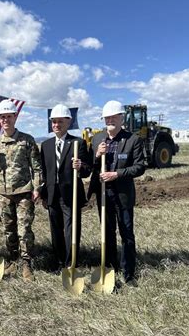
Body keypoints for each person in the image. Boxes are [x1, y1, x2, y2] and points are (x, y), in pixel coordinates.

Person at [88, 100, 145, 286]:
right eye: (107, 117)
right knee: (107, 232)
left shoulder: (132, 140)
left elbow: (140, 167)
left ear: (122, 118)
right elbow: (90, 167)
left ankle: (129, 274)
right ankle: (110, 268)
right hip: (103, 194)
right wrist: (97, 155)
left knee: (126, 233)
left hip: (122, 194)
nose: (110, 120)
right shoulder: (97, 139)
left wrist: (116, 174)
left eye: (114, 117)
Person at [0, 99, 41, 282]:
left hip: (24, 191)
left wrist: (37, 188)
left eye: (9, 116)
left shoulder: (27, 140)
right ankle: (13, 260)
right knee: (8, 229)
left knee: (24, 229)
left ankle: (26, 263)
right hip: (4, 193)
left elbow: (37, 167)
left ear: (15, 117)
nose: (6, 120)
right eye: (2, 117)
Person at [40, 104, 91, 271]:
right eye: (54, 122)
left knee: (71, 229)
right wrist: (43, 194)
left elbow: (87, 171)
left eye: (60, 121)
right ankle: (59, 260)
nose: (56, 125)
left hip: (71, 194)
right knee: (56, 229)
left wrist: (80, 166)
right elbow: (44, 172)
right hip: (52, 194)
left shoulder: (78, 143)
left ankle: (71, 262)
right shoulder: (46, 145)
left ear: (68, 122)